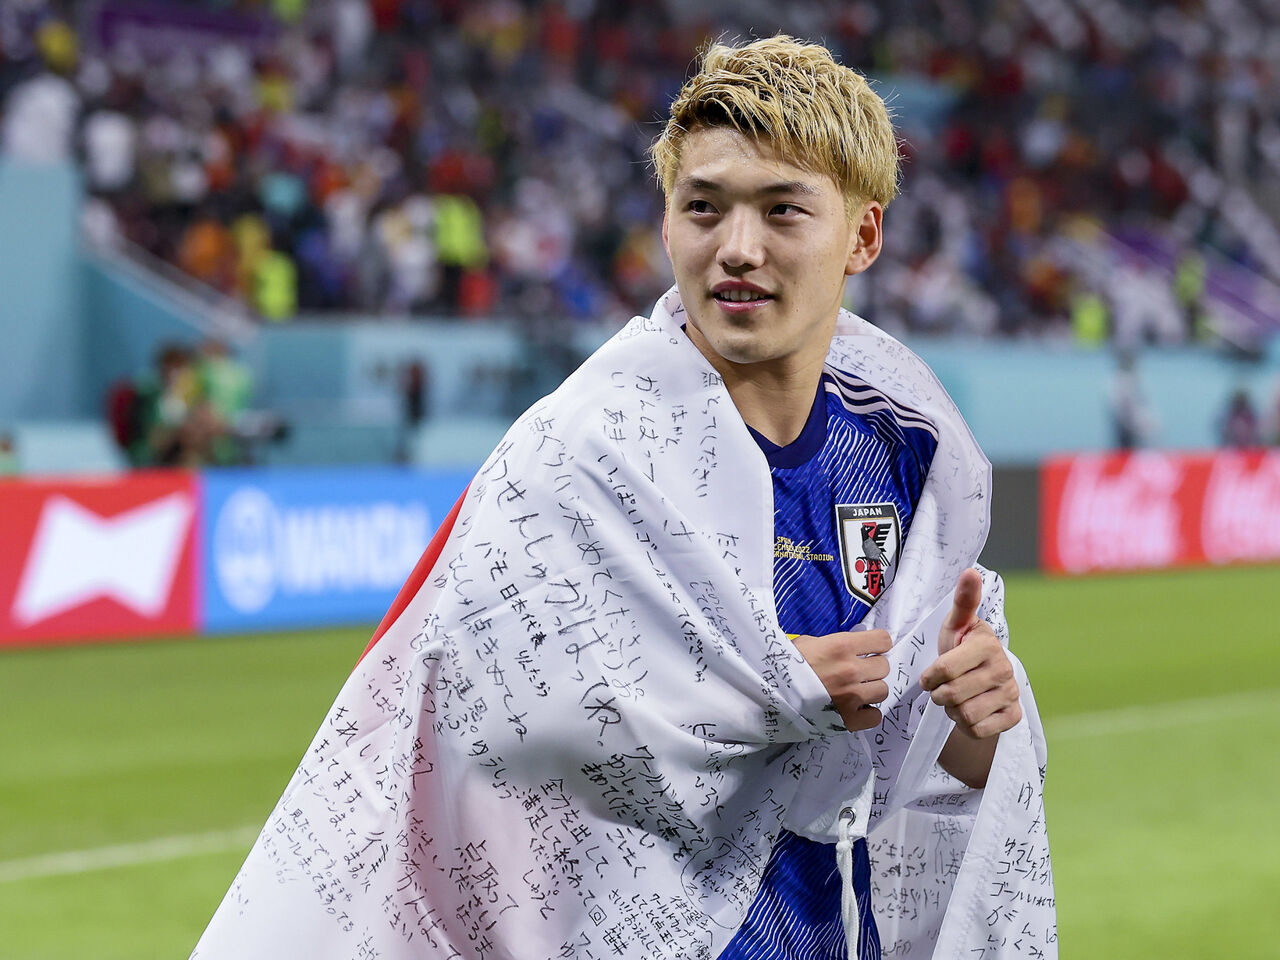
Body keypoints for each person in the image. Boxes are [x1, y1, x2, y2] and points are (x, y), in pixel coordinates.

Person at [194, 37, 1054, 960]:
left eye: (783, 210)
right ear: (667, 228)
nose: (737, 248)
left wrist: (973, 720)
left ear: (863, 237)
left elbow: (900, 771)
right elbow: (489, 721)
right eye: (704, 207)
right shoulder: (582, 449)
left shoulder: (903, 453)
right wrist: (770, 686)